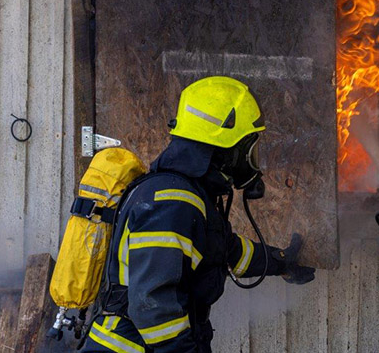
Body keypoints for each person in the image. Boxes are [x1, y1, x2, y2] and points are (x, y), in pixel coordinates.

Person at [82, 76, 315, 353]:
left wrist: (280, 262)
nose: (252, 160)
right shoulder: (172, 201)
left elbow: (226, 251)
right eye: (249, 149)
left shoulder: (189, 196)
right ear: (229, 149)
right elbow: (154, 308)